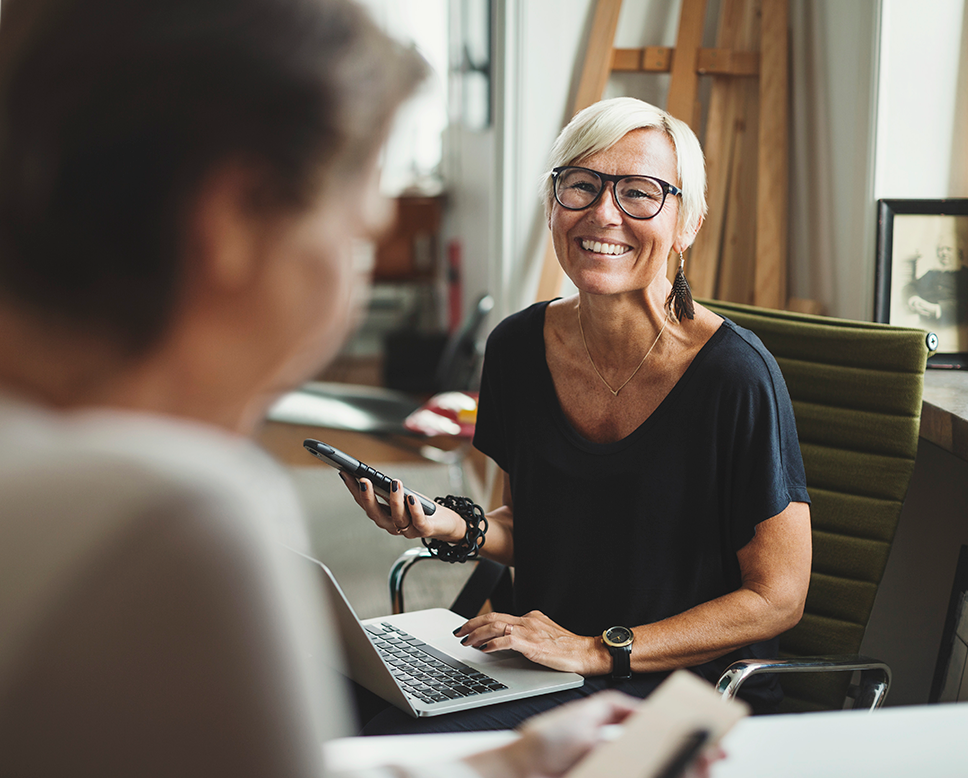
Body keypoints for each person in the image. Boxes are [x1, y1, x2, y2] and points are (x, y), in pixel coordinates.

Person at [0, 0, 641, 775]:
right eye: (359, 233)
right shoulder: (174, 516)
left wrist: (502, 764)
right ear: (232, 219)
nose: (353, 278)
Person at [346, 97, 813, 733]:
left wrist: (597, 650)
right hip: (537, 655)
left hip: (677, 684)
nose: (602, 214)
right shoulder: (516, 347)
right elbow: (546, 526)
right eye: (582, 185)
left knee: (399, 742)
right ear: (552, 202)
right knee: (324, 697)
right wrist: (456, 528)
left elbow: (777, 597)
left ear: (688, 223)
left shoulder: (736, 377)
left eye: (641, 193)